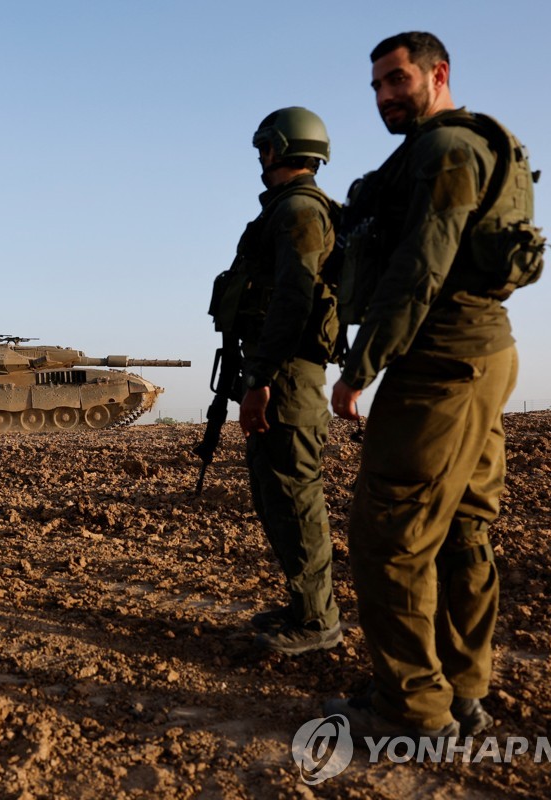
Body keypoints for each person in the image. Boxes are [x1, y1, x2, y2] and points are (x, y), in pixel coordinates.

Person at [326, 31, 522, 740]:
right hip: (480, 351)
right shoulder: (473, 146)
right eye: (376, 85)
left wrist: (360, 367)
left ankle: (411, 708)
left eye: (397, 79)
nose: (384, 95)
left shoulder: (444, 151)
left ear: (437, 74)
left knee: (391, 535)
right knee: (464, 528)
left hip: (438, 359)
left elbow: (422, 265)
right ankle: (461, 688)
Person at [230, 108, 343, 655]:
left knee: (295, 497)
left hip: (288, 375)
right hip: (279, 369)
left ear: (281, 147)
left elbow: (294, 301)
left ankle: (318, 621)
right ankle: (305, 606)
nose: (259, 157)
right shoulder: (286, 210)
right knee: (275, 494)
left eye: (264, 148)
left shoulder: (298, 210)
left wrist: (261, 378)